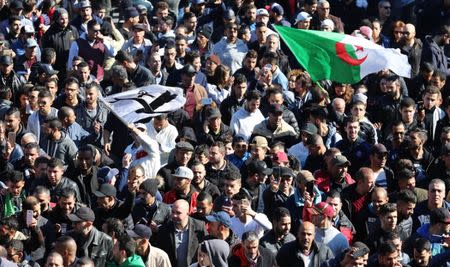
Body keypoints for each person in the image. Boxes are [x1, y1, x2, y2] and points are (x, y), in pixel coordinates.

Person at [153, 199, 206, 267]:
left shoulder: (199, 226)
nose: (174, 215)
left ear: (187, 212)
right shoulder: (164, 229)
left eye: (178, 213)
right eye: (173, 212)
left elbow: (206, 249)